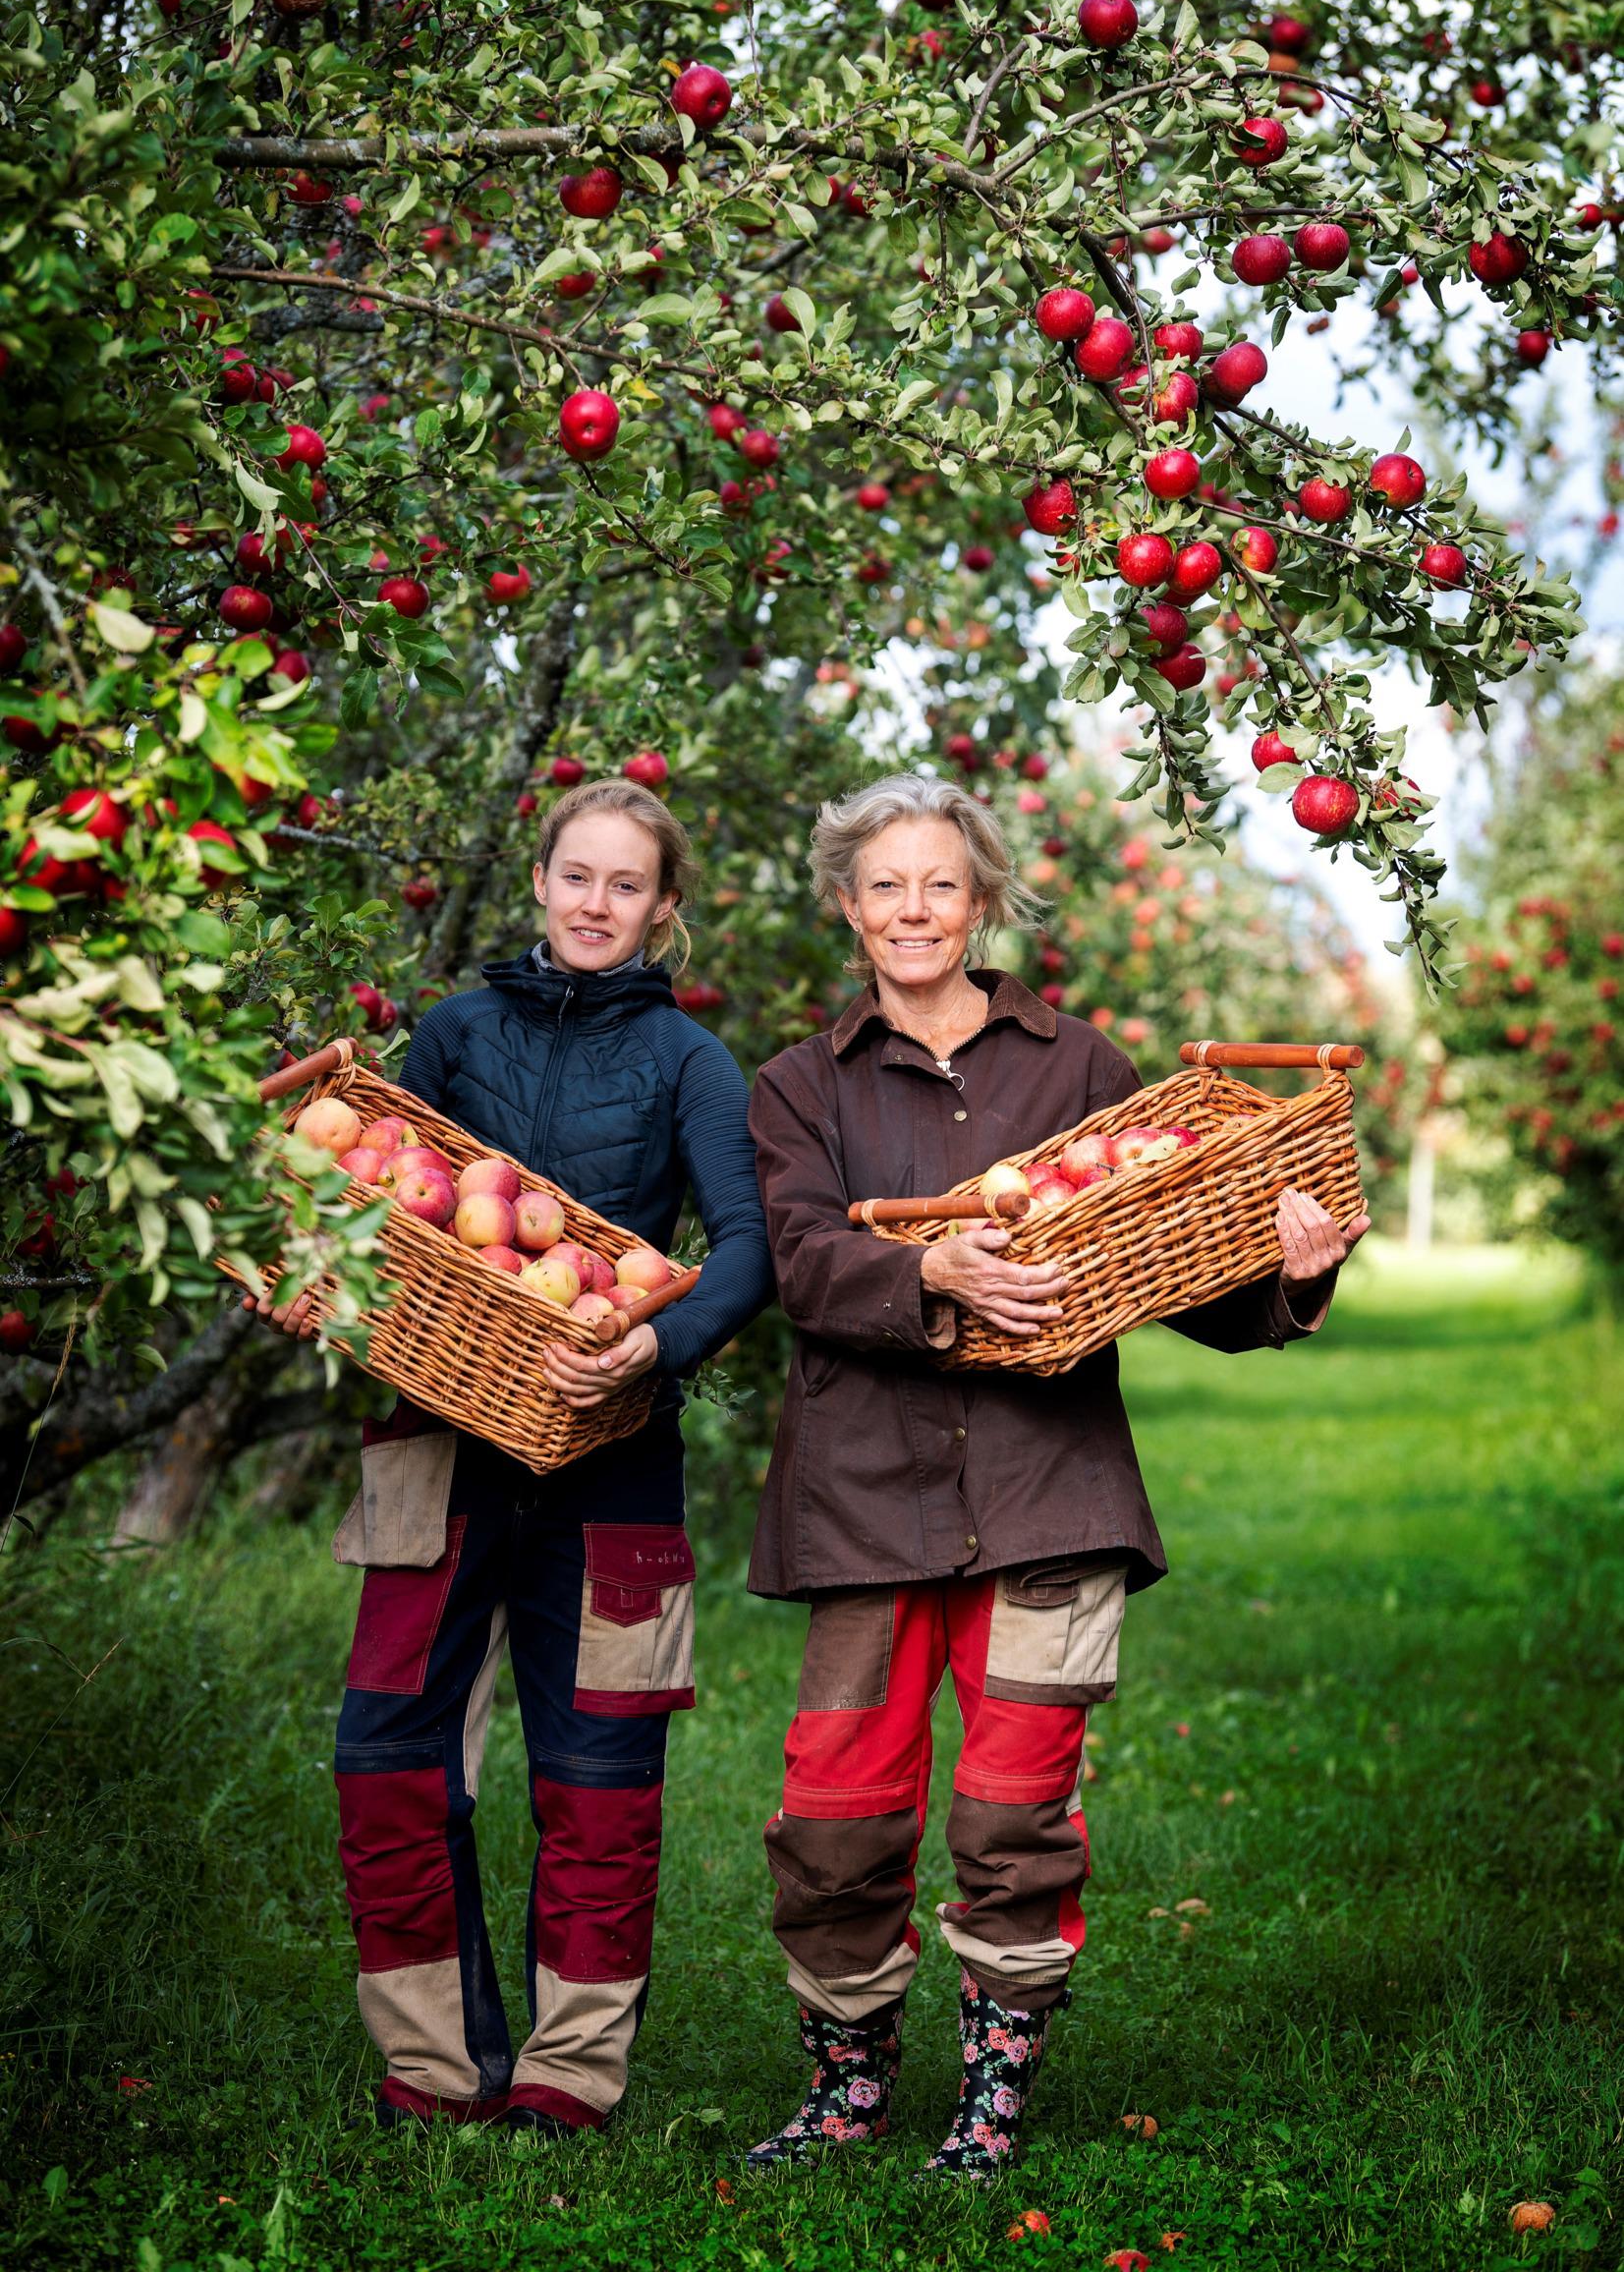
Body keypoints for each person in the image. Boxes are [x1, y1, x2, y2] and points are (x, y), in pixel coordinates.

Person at [743, 772, 1368, 2179]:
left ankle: (991, 2097)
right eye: (884, 886)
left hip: (1048, 1491)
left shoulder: (1077, 1067)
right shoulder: (798, 1084)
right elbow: (797, 1260)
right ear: (847, 907)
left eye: (940, 885)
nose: (914, 910)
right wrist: (921, 1270)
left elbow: (1163, 1255)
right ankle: (846, 2091)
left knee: (1014, 1809)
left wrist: (1283, 1276)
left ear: (983, 901)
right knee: (838, 1812)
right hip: (863, 1500)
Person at [248, 778, 773, 2135]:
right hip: (436, 1441)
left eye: (625, 884)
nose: (595, 903)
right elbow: (374, 1198)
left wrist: (651, 1350)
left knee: (599, 1774)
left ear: (663, 908)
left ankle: (569, 2072)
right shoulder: (456, 1030)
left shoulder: (689, 1063)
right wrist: (308, 1276)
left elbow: (746, 1250)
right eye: (575, 875)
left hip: (612, 1458)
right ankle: (432, 2060)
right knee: (387, 1756)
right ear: (538, 881)